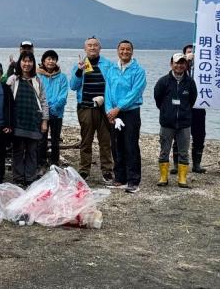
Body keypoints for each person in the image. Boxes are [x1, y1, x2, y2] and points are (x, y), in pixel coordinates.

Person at [104, 40, 147, 193]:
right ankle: (120, 178)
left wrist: (119, 108)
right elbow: (107, 91)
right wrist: (109, 110)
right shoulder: (112, 70)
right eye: (122, 49)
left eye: (128, 49)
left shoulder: (138, 71)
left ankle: (133, 180)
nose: (125, 52)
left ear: (132, 52)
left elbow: (134, 93)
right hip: (114, 112)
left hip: (130, 112)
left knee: (131, 145)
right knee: (116, 145)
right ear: (117, 50)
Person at [70, 36, 114, 182]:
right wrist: (78, 71)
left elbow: (113, 86)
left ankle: (107, 170)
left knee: (105, 141)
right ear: (85, 49)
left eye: (95, 45)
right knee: (86, 140)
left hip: (104, 108)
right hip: (85, 107)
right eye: (89, 45)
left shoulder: (108, 64)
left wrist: (107, 101)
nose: (93, 48)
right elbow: (73, 86)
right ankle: (84, 170)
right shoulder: (80, 65)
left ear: (100, 48)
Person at [154, 53, 198, 188]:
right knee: (164, 150)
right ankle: (163, 177)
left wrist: (183, 112)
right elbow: (158, 100)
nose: (179, 65)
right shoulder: (163, 81)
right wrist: (167, 112)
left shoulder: (190, 82)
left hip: (184, 123)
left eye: (182, 63)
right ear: (171, 64)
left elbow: (192, 100)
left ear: (186, 65)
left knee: (184, 152)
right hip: (167, 123)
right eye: (176, 63)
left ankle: (182, 179)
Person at [7, 52, 49, 186]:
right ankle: (18, 178)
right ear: (20, 62)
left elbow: (43, 101)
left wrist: (44, 120)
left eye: (30, 61)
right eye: (24, 61)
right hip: (17, 120)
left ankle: (29, 178)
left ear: (33, 63)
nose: (27, 64)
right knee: (18, 150)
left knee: (32, 151)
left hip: (33, 120)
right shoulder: (13, 79)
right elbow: (7, 102)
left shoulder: (37, 80)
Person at [171, 44, 208, 174]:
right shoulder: (181, 67)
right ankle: (176, 164)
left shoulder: (204, 68)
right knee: (178, 135)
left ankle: (196, 164)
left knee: (199, 135)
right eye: (189, 52)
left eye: (194, 52)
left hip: (198, 106)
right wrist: (187, 61)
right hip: (183, 107)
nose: (192, 54)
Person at [37, 50, 68, 169]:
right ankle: (41, 163)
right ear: (43, 61)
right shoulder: (38, 76)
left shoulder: (62, 77)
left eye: (53, 59)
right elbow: (37, 93)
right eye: (48, 59)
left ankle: (54, 163)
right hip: (41, 113)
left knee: (55, 140)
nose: (51, 61)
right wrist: (44, 109)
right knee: (41, 139)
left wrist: (53, 108)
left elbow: (63, 95)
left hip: (56, 113)